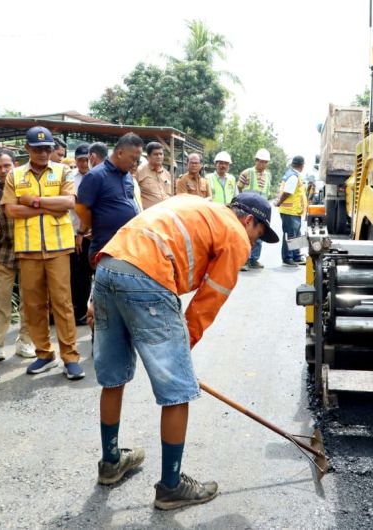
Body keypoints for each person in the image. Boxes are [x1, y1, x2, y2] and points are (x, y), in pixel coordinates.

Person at [91, 192, 279, 509]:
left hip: (108, 266)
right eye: (258, 233)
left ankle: (110, 463)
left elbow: (137, 234)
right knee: (177, 391)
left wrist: (96, 297)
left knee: (113, 377)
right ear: (248, 220)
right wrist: (182, 348)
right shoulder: (236, 235)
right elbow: (210, 298)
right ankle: (171, 486)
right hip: (148, 273)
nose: (254, 242)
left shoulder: (195, 203)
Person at [2, 126, 84, 380]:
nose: (43, 153)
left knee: (62, 303)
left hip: (58, 247)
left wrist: (32, 201)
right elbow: (11, 211)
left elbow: (68, 203)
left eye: (47, 148)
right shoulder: (15, 175)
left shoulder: (63, 171)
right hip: (28, 249)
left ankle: (70, 357)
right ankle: (45, 354)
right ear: (27, 148)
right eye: (37, 149)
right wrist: (49, 206)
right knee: (34, 305)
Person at [0, 149, 36, 361]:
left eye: (7, 166)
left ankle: (25, 342)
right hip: (3, 252)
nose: (3, 170)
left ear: (15, 165)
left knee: (28, 300)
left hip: (29, 251)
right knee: (1, 300)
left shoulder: (27, 188)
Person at [75, 133, 143, 266]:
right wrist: (99, 225)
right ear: (120, 153)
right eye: (133, 159)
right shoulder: (95, 176)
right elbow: (81, 209)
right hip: (105, 247)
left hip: (127, 246)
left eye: (137, 160)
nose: (134, 164)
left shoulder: (127, 176)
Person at [237, 148, 272, 270]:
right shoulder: (247, 173)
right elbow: (239, 188)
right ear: (256, 160)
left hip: (261, 210)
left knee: (259, 234)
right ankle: (244, 260)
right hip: (248, 209)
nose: (263, 164)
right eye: (261, 161)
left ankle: (254, 259)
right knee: (246, 234)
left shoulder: (268, 175)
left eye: (265, 162)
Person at [69, 144, 92, 324]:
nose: (84, 163)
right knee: (75, 274)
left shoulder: (97, 177)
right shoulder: (70, 178)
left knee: (87, 273)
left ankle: (85, 311)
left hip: (91, 234)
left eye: (86, 160)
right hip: (72, 232)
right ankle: (77, 311)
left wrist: (82, 233)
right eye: (80, 160)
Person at [274, 155, 307, 267]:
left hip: (295, 211)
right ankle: (288, 257)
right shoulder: (293, 176)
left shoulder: (293, 175)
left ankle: (296, 256)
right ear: (301, 166)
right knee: (290, 234)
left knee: (297, 234)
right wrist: (279, 202)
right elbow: (287, 192)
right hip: (289, 210)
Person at [136, 142, 172, 209]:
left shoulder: (167, 174)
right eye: (156, 154)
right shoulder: (139, 171)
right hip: (148, 213)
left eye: (161, 154)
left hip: (166, 212)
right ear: (148, 156)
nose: (159, 157)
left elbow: (170, 195)